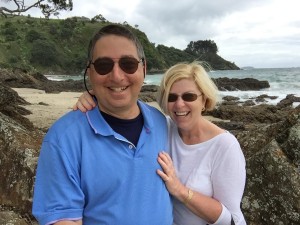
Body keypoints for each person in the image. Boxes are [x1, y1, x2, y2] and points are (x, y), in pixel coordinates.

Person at [32, 24, 173, 225]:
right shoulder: (64, 138)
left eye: (128, 64)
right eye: (104, 65)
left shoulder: (161, 123)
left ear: (144, 68)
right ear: (90, 72)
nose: (116, 76)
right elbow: (62, 219)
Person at [75, 61, 247, 225]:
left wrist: (180, 191)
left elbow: (229, 218)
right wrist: (98, 97)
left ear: (204, 100)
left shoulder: (225, 145)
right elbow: (126, 109)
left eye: (189, 96)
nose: (179, 104)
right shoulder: (161, 126)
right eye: (172, 97)